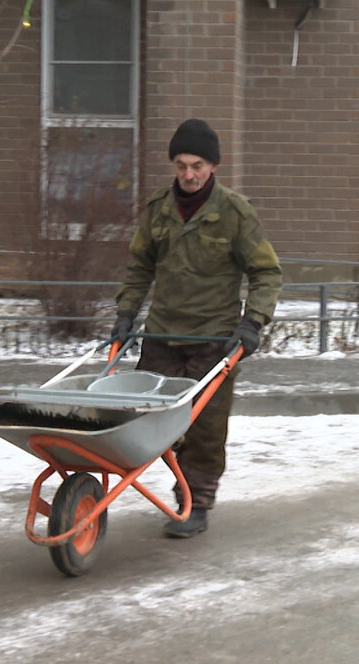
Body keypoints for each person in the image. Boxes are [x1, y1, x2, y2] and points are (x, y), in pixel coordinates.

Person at [111, 118, 283, 538]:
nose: (188, 175)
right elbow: (139, 267)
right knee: (154, 421)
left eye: (198, 165)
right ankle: (179, 487)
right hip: (161, 337)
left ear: (213, 167)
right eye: (181, 165)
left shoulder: (235, 213)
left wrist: (252, 322)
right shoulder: (158, 211)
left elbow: (266, 272)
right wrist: (125, 313)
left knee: (205, 429)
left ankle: (197, 504)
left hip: (213, 342)